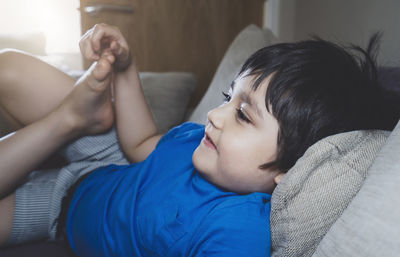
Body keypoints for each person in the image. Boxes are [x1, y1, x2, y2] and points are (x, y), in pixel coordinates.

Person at [0, 24, 397, 256]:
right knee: (9, 65)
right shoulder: (200, 143)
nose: (214, 114)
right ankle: (83, 119)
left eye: (242, 114)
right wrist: (126, 66)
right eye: (229, 97)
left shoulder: (235, 231)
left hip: (58, 209)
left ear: (288, 169)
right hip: (112, 159)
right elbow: (141, 144)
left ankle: (66, 121)